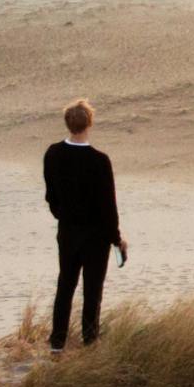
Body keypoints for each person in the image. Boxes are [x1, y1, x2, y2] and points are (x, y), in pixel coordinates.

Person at [42, 97, 127, 350]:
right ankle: (90, 341)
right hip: (96, 236)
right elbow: (108, 206)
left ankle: (57, 342)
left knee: (65, 285)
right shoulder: (100, 161)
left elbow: (51, 196)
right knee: (92, 290)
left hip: (68, 232)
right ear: (89, 123)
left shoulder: (53, 153)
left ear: (68, 123)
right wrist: (116, 238)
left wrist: (64, 216)